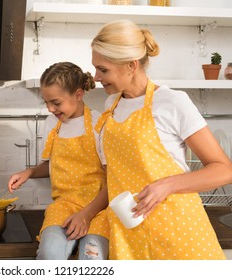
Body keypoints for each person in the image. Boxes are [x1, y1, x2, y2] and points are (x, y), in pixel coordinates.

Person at [91, 19, 232, 260]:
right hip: (128, 234)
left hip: (177, 233)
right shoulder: (110, 106)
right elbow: (114, 177)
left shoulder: (172, 102)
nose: (96, 77)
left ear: (131, 65)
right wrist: (88, 213)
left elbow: (224, 169)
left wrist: (166, 185)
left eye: (103, 69)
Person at [7, 62, 109, 260]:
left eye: (56, 102)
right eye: (46, 102)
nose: (50, 108)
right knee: (49, 255)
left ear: (78, 95)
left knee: (92, 259)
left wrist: (87, 214)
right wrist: (28, 173)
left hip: (99, 209)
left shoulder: (100, 124)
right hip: (63, 206)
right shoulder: (52, 124)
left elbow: (112, 178)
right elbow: (50, 164)